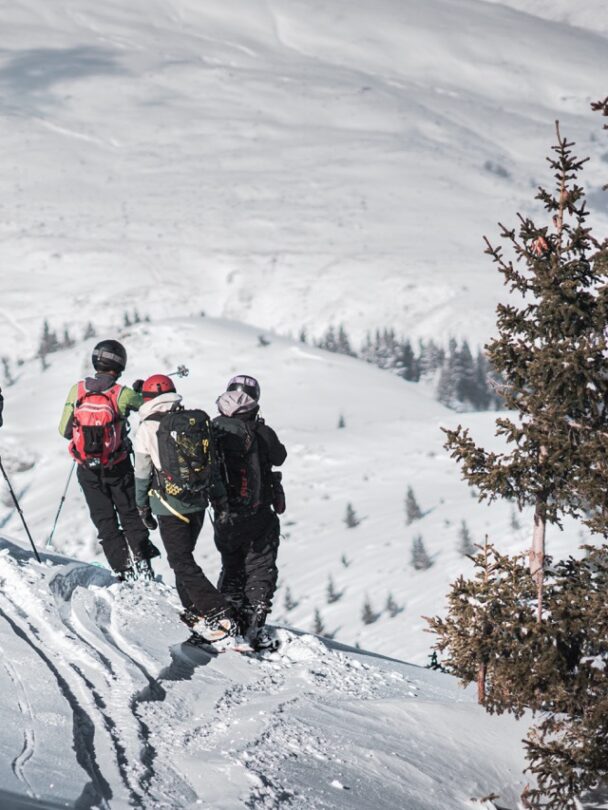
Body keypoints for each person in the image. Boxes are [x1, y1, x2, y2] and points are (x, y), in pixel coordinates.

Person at [133, 374, 236, 642]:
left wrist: (142, 506)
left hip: (169, 505)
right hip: (198, 501)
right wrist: (219, 499)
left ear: (146, 399)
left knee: (180, 560)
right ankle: (194, 610)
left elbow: (142, 472)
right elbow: (211, 464)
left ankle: (217, 611)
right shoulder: (192, 421)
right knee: (183, 558)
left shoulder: (146, 428)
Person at [58, 339, 160, 580]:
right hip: (118, 466)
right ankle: (143, 564)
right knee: (130, 514)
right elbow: (144, 403)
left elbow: (64, 430)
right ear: (120, 364)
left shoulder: (78, 390)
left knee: (105, 521)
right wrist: (137, 391)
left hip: (87, 470)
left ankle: (123, 570)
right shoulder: (121, 393)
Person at [212, 374, 287, 650]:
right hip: (258, 512)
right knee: (260, 565)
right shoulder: (260, 432)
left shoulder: (214, 428)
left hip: (223, 513)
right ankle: (252, 624)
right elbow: (280, 456)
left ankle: (225, 619)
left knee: (232, 564)